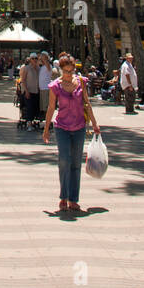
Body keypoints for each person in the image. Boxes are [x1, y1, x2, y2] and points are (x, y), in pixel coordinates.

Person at [42, 53, 102, 214]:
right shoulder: (55, 86)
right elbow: (50, 108)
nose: (69, 74)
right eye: (66, 71)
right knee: (64, 160)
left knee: (76, 163)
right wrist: (46, 129)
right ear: (60, 70)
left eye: (71, 71)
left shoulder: (81, 82)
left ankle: (73, 199)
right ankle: (63, 196)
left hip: (79, 127)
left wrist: (95, 124)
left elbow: (87, 104)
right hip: (61, 127)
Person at [19, 52, 42, 128]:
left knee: (36, 107)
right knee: (29, 107)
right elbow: (23, 80)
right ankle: (29, 122)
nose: (35, 60)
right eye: (33, 58)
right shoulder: (27, 68)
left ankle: (34, 120)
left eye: (36, 58)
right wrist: (26, 91)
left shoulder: (39, 68)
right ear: (30, 59)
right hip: (28, 90)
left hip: (36, 91)